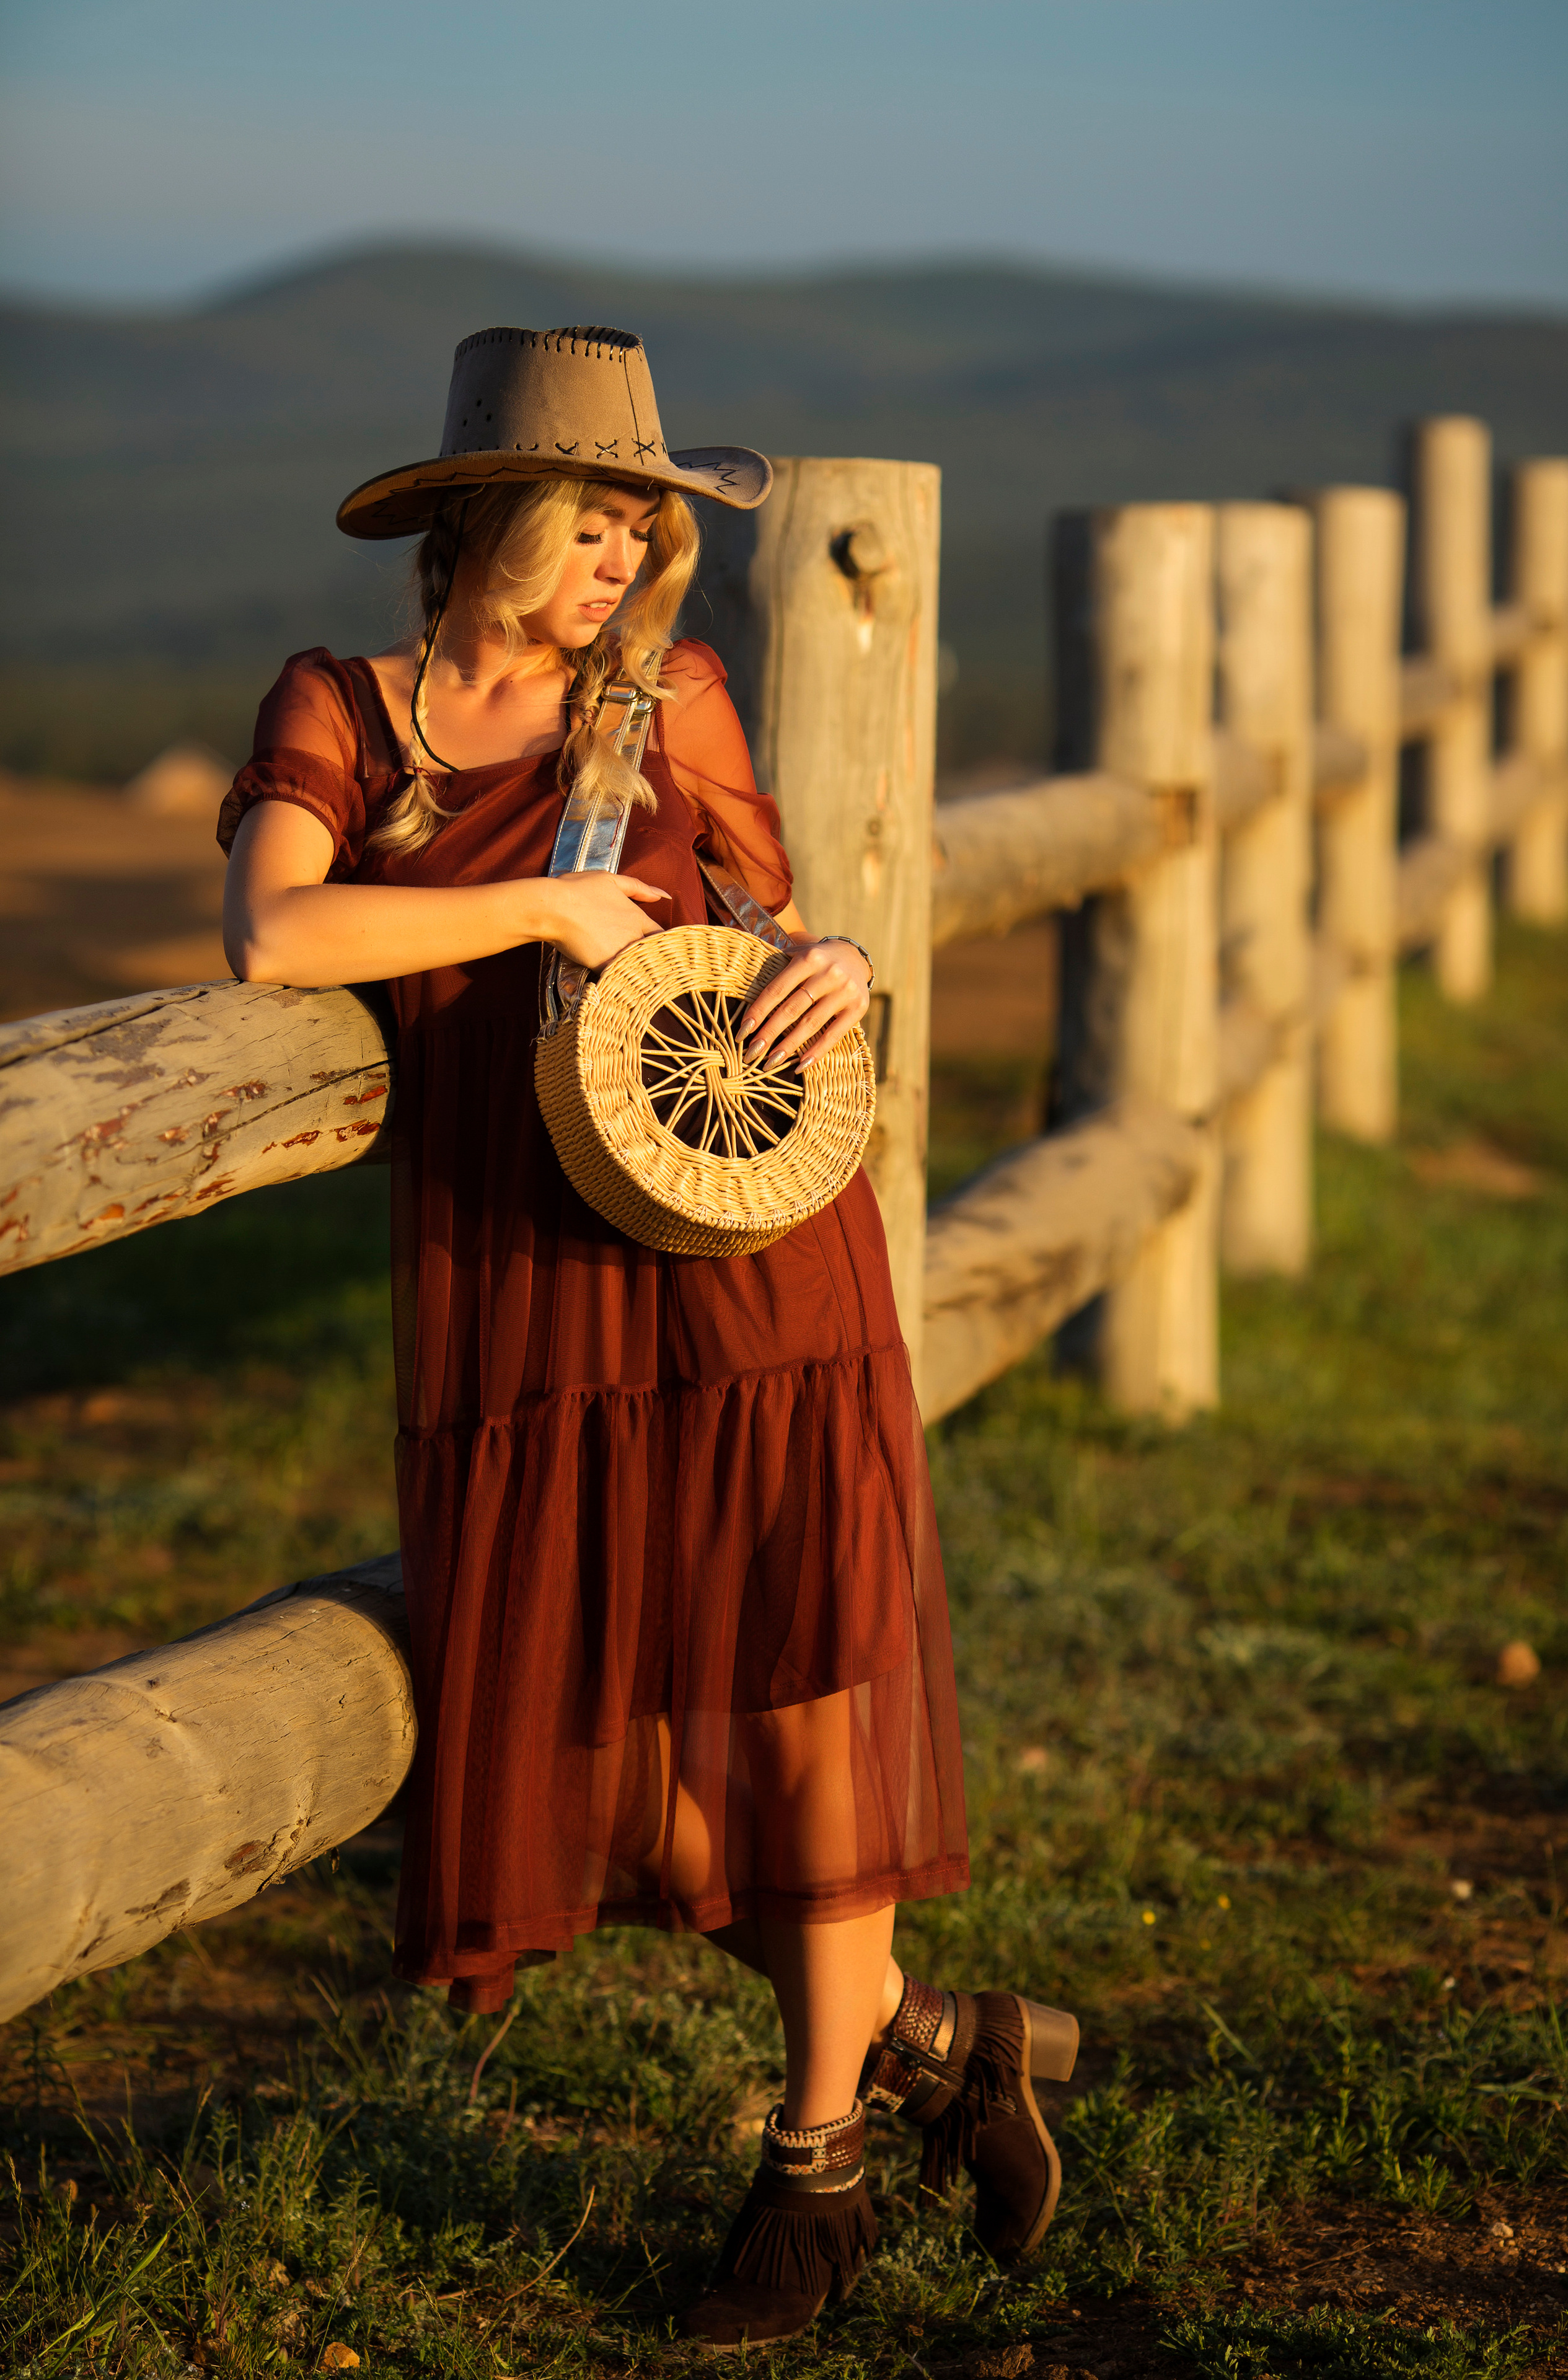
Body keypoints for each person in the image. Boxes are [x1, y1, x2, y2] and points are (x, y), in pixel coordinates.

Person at [219, 324, 1077, 2349]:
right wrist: (530, 913)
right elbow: (276, 930)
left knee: (787, 1701)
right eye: (594, 516)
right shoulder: (351, 711)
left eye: (645, 523)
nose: (623, 555)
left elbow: (761, 931)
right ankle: (944, 2044)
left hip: (743, 1264)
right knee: (605, 1758)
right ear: (487, 517)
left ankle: (819, 2163)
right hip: (521, 1298)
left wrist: (839, 959)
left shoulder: (665, 696)